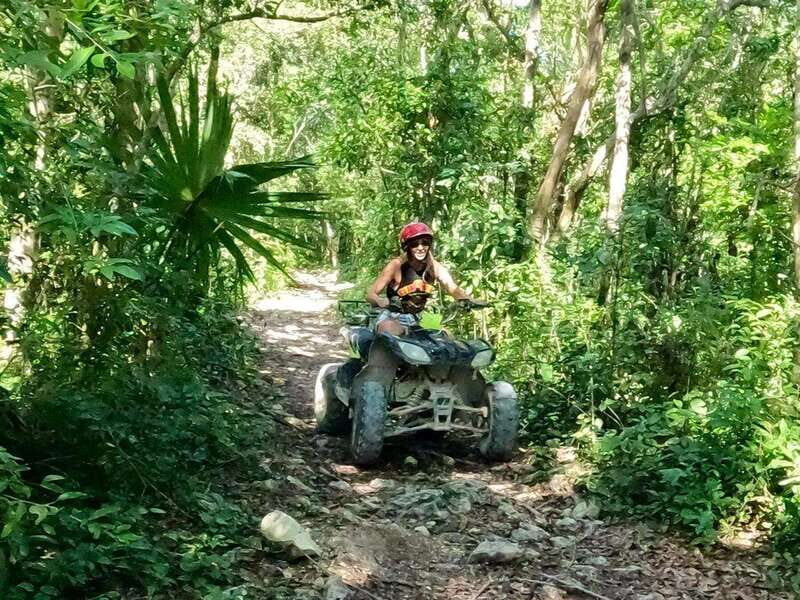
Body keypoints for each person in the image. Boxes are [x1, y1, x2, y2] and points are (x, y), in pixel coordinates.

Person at [366, 222, 471, 335]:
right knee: (389, 328)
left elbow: (452, 287)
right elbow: (370, 294)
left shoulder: (434, 267)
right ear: (407, 247)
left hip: (416, 319)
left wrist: (468, 301)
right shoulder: (396, 265)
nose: (420, 248)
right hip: (392, 318)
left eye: (425, 243)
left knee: (445, 336)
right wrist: (379, 300)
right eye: (415, 244)